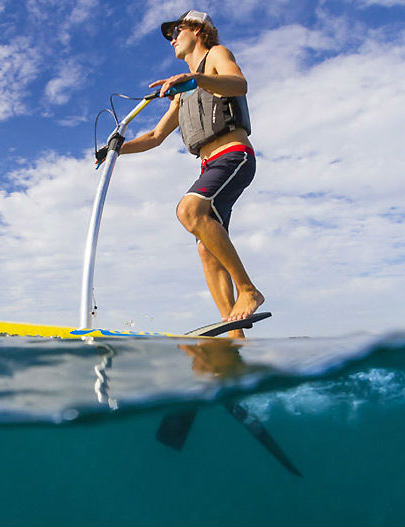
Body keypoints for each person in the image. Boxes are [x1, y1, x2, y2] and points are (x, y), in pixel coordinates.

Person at [119, 10, 264, 338]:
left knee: (189, 210)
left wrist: (197, 79)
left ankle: (248, 290)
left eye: (176, 30)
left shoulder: (216, 56)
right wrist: (116, 148)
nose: (172, 38)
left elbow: (239, 84)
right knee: (205, 246)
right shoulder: (183, 90)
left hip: (233, 156)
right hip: (209, 165)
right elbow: (155, 137)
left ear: (199, 30)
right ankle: (234, 331)